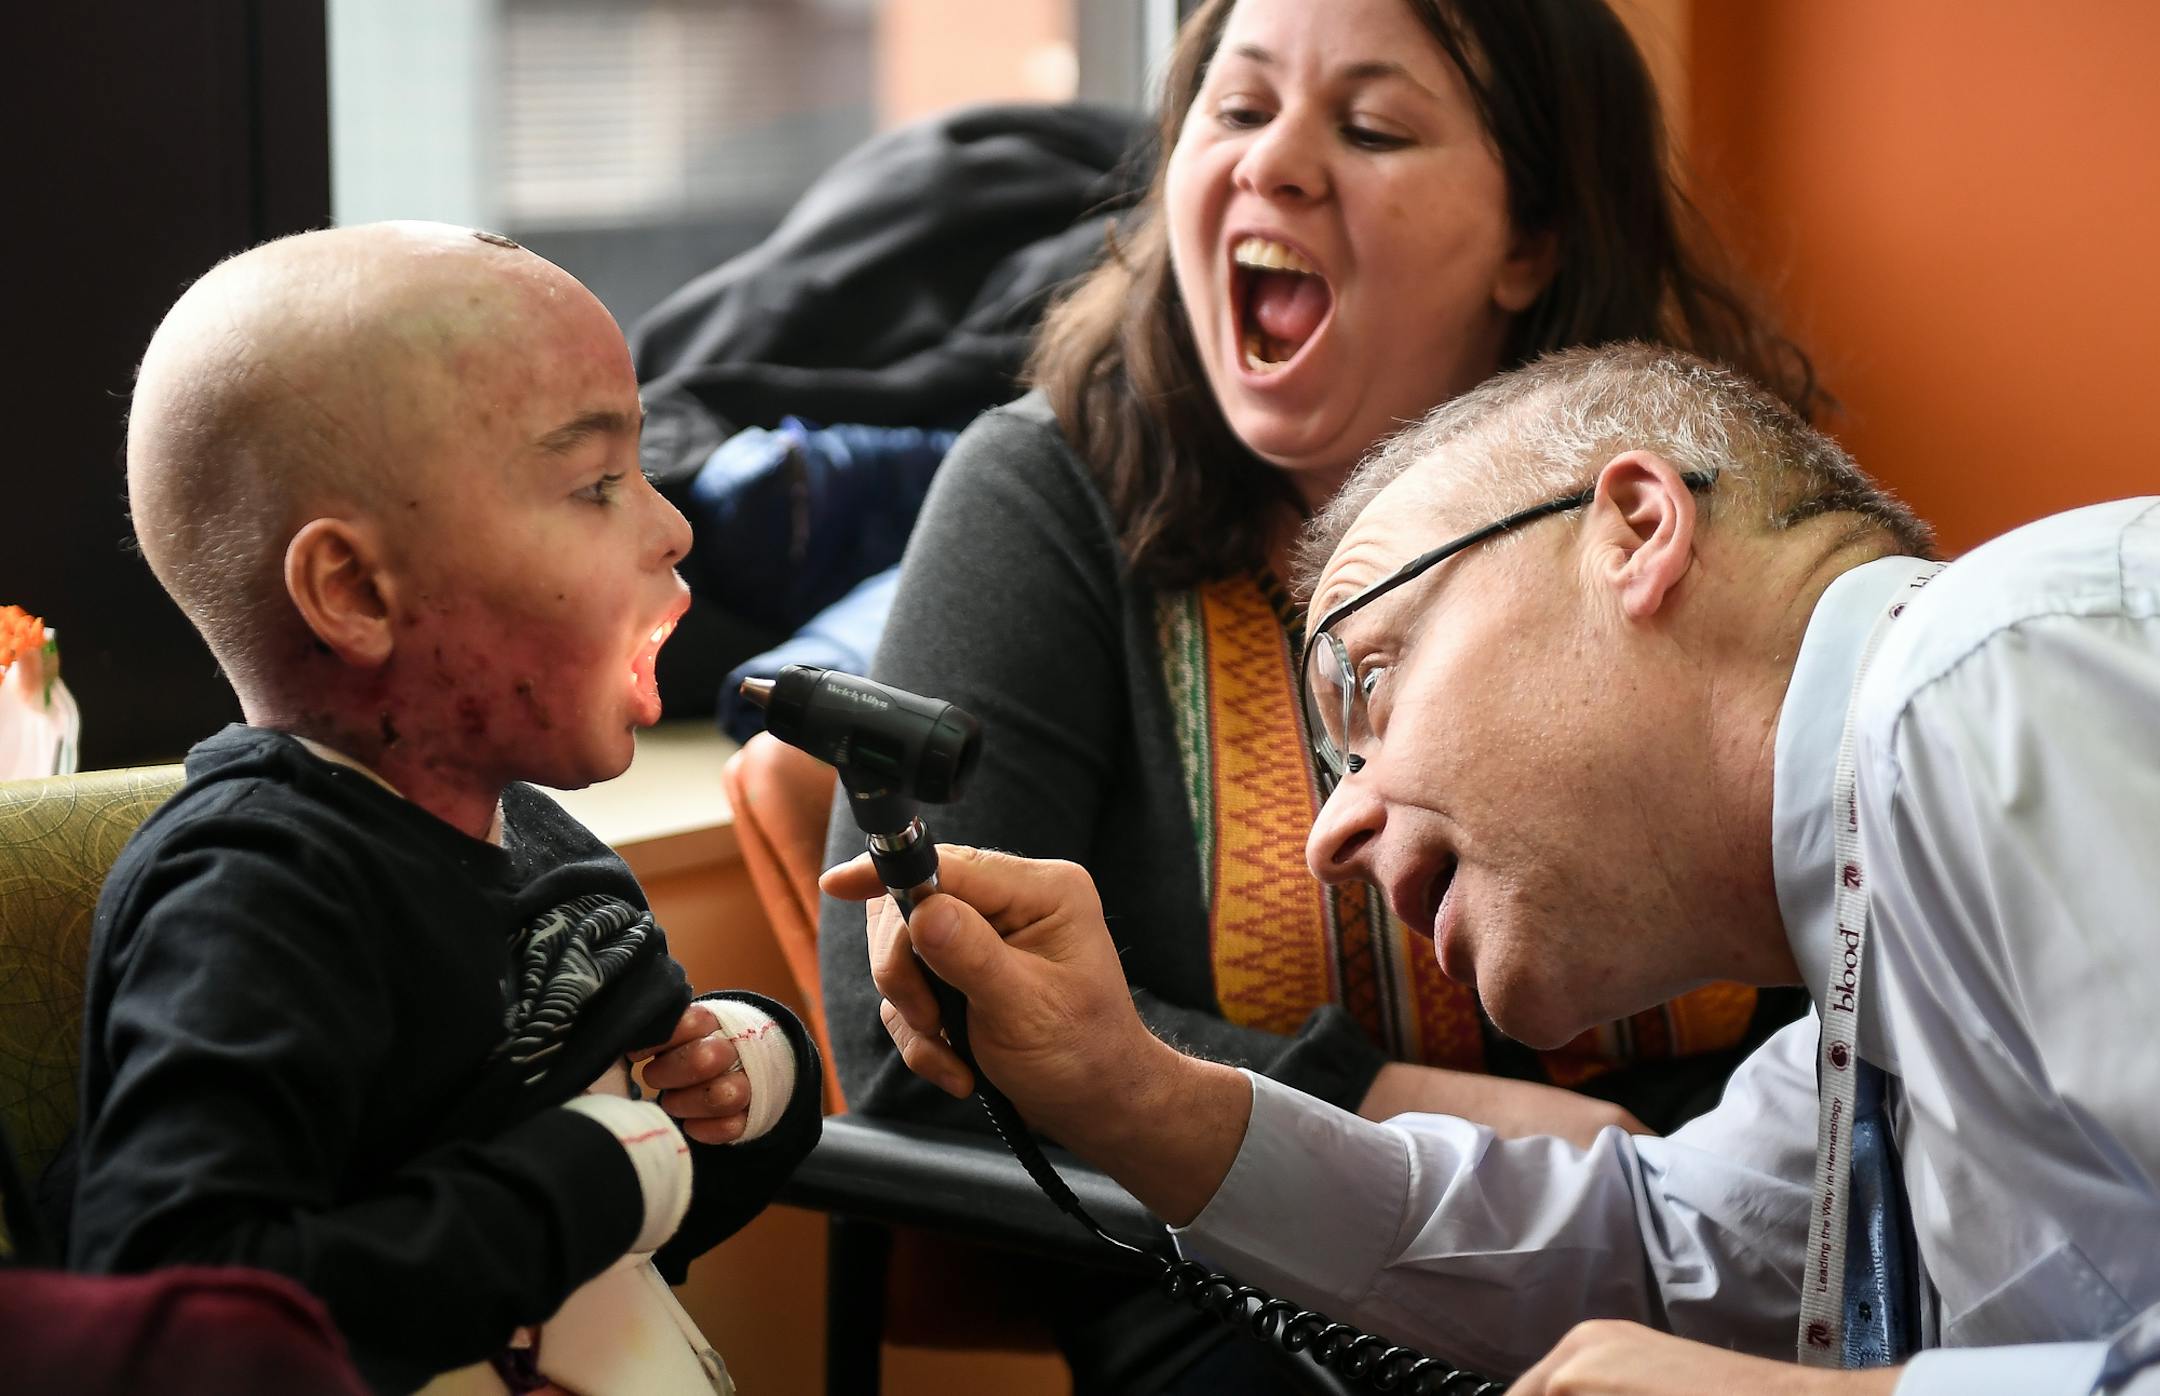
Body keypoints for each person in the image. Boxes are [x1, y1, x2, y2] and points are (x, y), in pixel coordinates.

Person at [831, 344, 2160, 1394]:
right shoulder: (1875, 935)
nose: (1327, 839)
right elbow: (1654, 1256)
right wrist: (1131, 1095)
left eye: (1372, 682)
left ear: (1636, 528)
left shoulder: (2001, 676)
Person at [822, 0, 1813, 1386]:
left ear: (1531, 241)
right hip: (1242, 1297)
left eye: (1371, 126)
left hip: (1713, 1265)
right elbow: (903, 1035)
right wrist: (1394, 1105)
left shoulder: (1695, 490)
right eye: (1234, 111)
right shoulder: (1044, 499)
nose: (1275, 164)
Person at [64, 222, 822, 1395]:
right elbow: (184, 1299)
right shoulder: (255, 893)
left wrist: (746, 1086)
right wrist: (589, 1173)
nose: (673, 527)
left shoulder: (539, 844)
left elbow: (644, 1193)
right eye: (595, 484)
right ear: (358, 591)